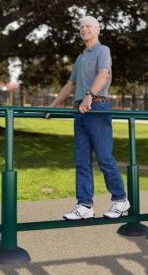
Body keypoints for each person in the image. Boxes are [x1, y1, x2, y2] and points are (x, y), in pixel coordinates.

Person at [46, 16, 130, 220]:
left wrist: (89, 96)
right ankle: (85, 205)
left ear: (98, 29)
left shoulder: (103, 51)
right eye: (81, 27)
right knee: (81, 160)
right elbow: (70, 85)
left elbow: (103, 74)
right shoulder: (81, 57)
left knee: (104, 158)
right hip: (80, 111)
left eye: (88, 26)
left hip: (97, 107)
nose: (84, 29)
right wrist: (53, 106)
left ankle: (120, 199)